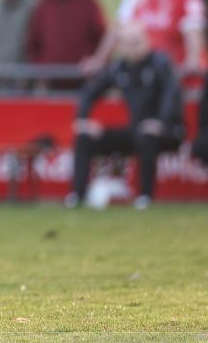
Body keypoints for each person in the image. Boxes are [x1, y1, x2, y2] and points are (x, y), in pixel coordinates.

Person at [69, 23, 185, 210]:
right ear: (121, 47)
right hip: (135, 129)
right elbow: (90, 92)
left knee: (146, 136)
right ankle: (76, 196)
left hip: (167, 130)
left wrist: (162, 123)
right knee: (85, 137)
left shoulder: (161, 63)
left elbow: (172, 96)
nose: (133, 48)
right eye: (127, 44)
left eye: (136, 42)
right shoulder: (119, 68)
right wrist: (82, 119)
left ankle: (145, 197)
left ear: (147, 41)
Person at [26, 0, 105, 86]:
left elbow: (101, 36)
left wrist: (95, 61)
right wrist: (41, 70)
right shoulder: (41, 7)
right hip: (53, 83)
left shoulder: (86, 1)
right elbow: (33, 44)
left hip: (84, 80)